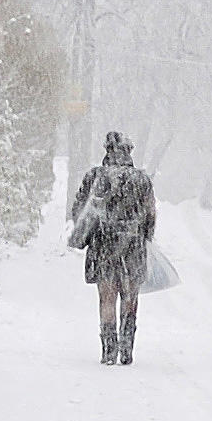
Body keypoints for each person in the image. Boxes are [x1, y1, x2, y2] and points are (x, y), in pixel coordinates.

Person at [72, 131, 156, 365]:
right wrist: (144, 235)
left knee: (106, 298)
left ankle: (109, 349)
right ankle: (127, 348)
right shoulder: (141, 180)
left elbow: (79, 209)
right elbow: (150, 215)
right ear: (129, 153)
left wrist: (90, 230)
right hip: (133, 246)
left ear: (107, 152)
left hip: (103, 245)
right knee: (130, 298)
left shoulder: (95, 177)